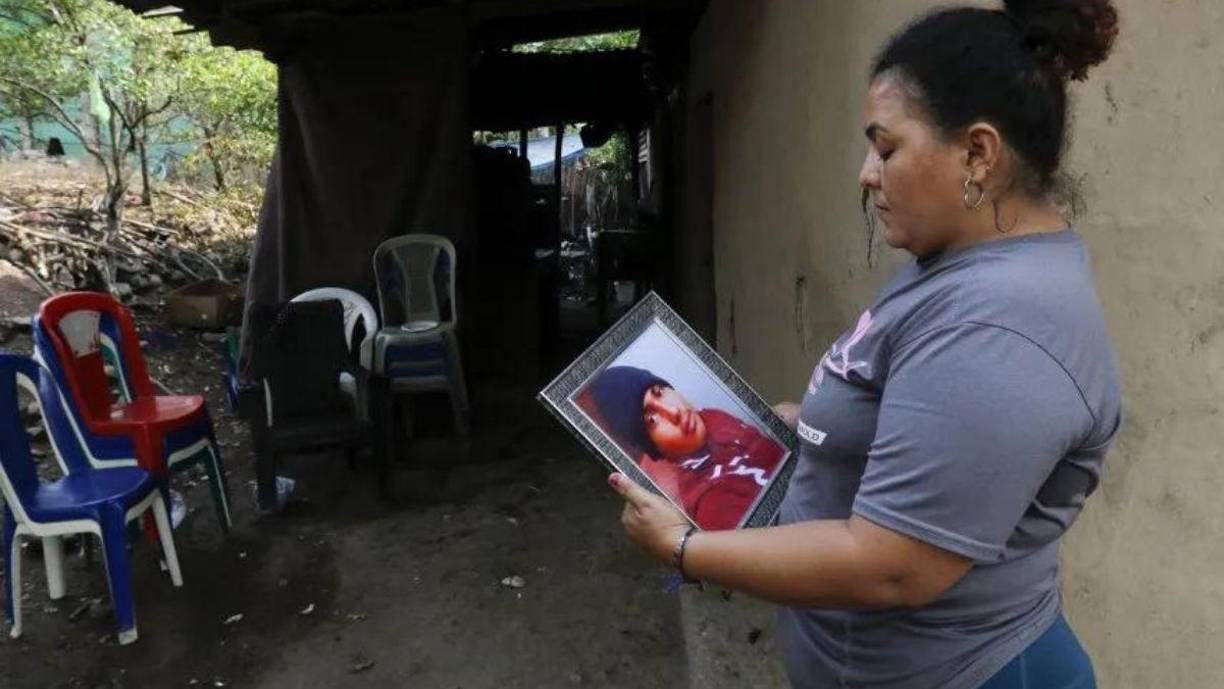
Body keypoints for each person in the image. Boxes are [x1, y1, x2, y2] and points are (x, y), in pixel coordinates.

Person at [606, 2, 1122, 688]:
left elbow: (893, 563)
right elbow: (908, 413)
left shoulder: (999, 327)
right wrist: (811, 430)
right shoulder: (954, 263)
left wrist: (684, 549)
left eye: (886, 148)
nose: (865, 174)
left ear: (978, 153)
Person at [584, 365, 784, 530]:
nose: (674, 412)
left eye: (659, 392)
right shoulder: (713, 504)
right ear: (652, 446)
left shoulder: (712, 417)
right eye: (652, 419)